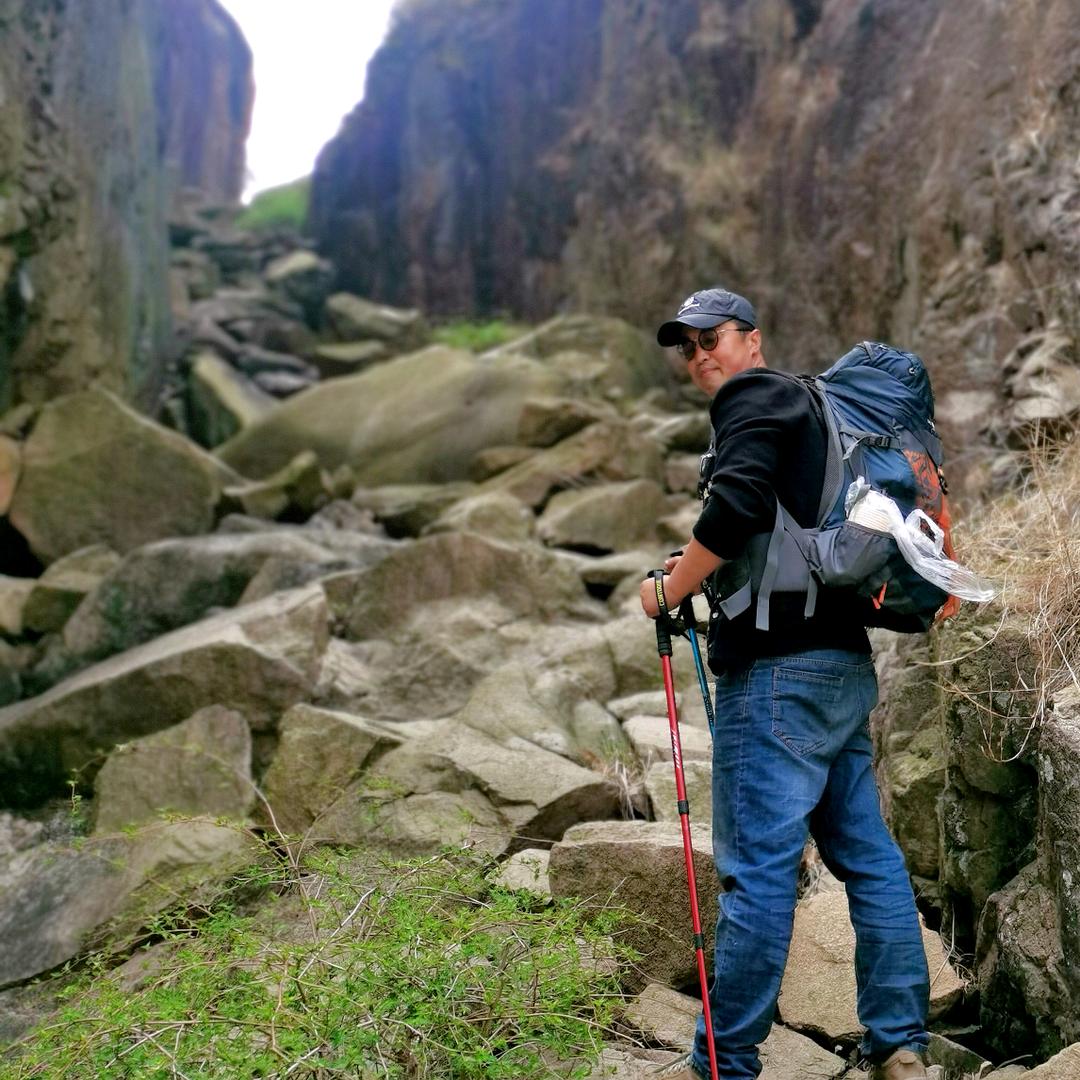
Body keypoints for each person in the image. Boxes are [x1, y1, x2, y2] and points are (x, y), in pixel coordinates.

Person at [638, 287, 930, 1080]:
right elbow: (771, 528)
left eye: (713, 339)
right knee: (867, 858)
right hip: (838, 667)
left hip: (774, 680)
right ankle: (900, 1044)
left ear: (752, 340)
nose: (701, 356)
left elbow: (732, 509)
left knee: (758, 876)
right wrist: (701, 570)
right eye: (687, 347)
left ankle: (723, 1062)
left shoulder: (752, 396)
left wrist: (671, 590)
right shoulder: (815, 408)